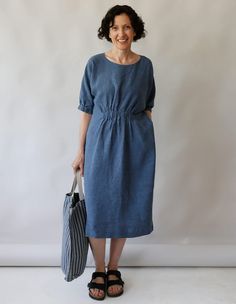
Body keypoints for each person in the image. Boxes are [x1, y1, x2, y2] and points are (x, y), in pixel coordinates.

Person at [72, 4, 156, 301]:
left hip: (136, 141)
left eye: (127, 27)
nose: (122, 33)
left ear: (135, 31)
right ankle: (97, 268)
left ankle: (113, 267)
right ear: (108, 31)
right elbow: (86, 109)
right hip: (101, 140)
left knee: (126, 201)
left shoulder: (145, 65)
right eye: (116, 27)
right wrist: (80, 150)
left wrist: (146, 147)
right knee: (98, 204)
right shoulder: (95, 64)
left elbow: (147, 108)